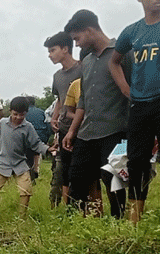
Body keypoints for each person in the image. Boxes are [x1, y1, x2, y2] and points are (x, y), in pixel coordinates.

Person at [62, 9, 130, 219]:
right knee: (77, 178)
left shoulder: (122, 54)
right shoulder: (88, 61)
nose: (77, 44)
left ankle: (117, 222)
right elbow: (83, 99)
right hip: (87, 132)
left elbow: (131, 92)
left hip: (114, 129)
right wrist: (72, 131)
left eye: (77, 38)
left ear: (89, 31)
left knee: (112, 179)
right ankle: (73, 224)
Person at [110, 0, 160, 223]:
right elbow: (114, 62)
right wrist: (124, 87)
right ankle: (134, 219)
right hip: (139, 105)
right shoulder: (132, 31)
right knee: (137, 161)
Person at [0, 97, 58, 218]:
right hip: (2, 161)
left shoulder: (28, 127)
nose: (18, 117)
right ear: (10, 112)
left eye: (21, 115)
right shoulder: (2, 123)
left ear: (26, 113)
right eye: (15, 114)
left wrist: (48, 149)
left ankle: (21, 217)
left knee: (26, 190)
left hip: (19, 162)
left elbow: (36, 143)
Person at [45, 31, 82, 207]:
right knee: (62, 170)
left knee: (81, 170)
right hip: (64, 127)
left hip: (82, 128)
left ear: (65, 49)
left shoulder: (83, 69)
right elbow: (60, 99)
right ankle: (68, 209)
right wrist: (54, 117)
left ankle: (85, 207)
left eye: (53, 50)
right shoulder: (57, 76)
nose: (49, 55)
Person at [24, 96, 48, 181]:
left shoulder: (23, 113)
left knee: (28, 155)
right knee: (36, 153)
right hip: (40, 137)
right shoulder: (41, 112)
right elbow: (47, 125)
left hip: (27, 139)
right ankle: (35, 170)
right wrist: (46, 138)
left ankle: (30, 174)